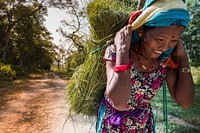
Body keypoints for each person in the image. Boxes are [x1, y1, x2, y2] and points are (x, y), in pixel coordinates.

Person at [96, 0, 195, 132]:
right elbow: (119, 103)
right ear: (142, 30)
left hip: (142, 125)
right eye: (160, 40)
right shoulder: (116, 52)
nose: (165, 47)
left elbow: (186, 102)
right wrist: (122, 52)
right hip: (113, 125)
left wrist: (184, 59)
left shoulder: (165, 63)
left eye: (174, 41)